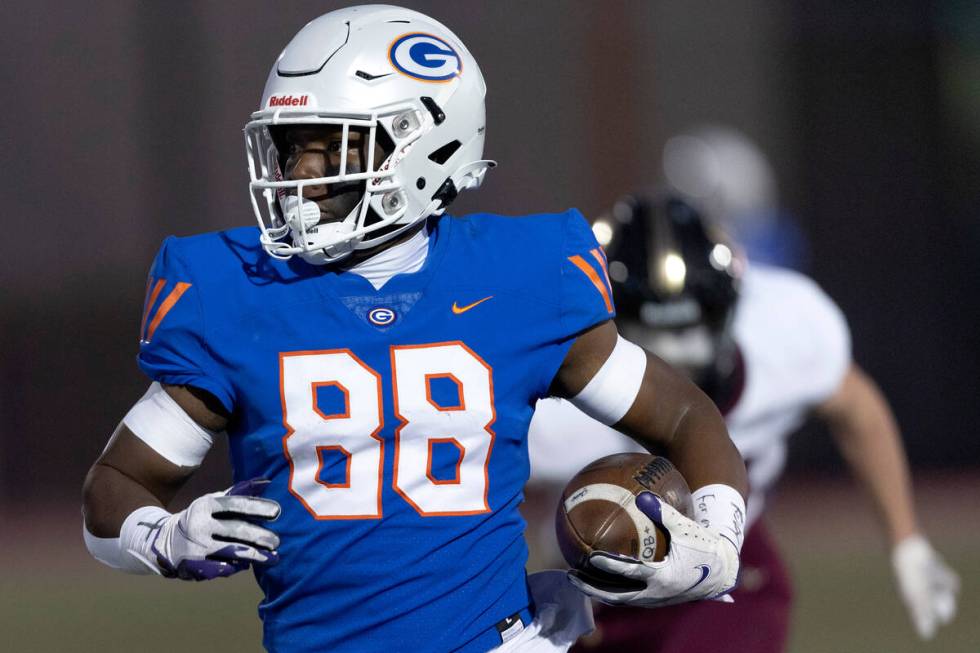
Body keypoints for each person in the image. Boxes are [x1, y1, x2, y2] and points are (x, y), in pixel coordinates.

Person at [81, 7, 749, 653]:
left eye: (331, 146)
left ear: (426, 145)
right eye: (292, 148)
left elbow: (686, 415)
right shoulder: (237, 291)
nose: (301, 175)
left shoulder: (520, 278)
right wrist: (164, 536)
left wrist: (719, 540)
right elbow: (114, 486)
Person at [527, 194, 960, 652]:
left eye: (691, 329)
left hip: (732, 568)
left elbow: (859, 413)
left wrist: (906, 541)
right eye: (656, 333)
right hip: (600, 589)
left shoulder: (785, 332)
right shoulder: (555, 412)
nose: (679, 356)